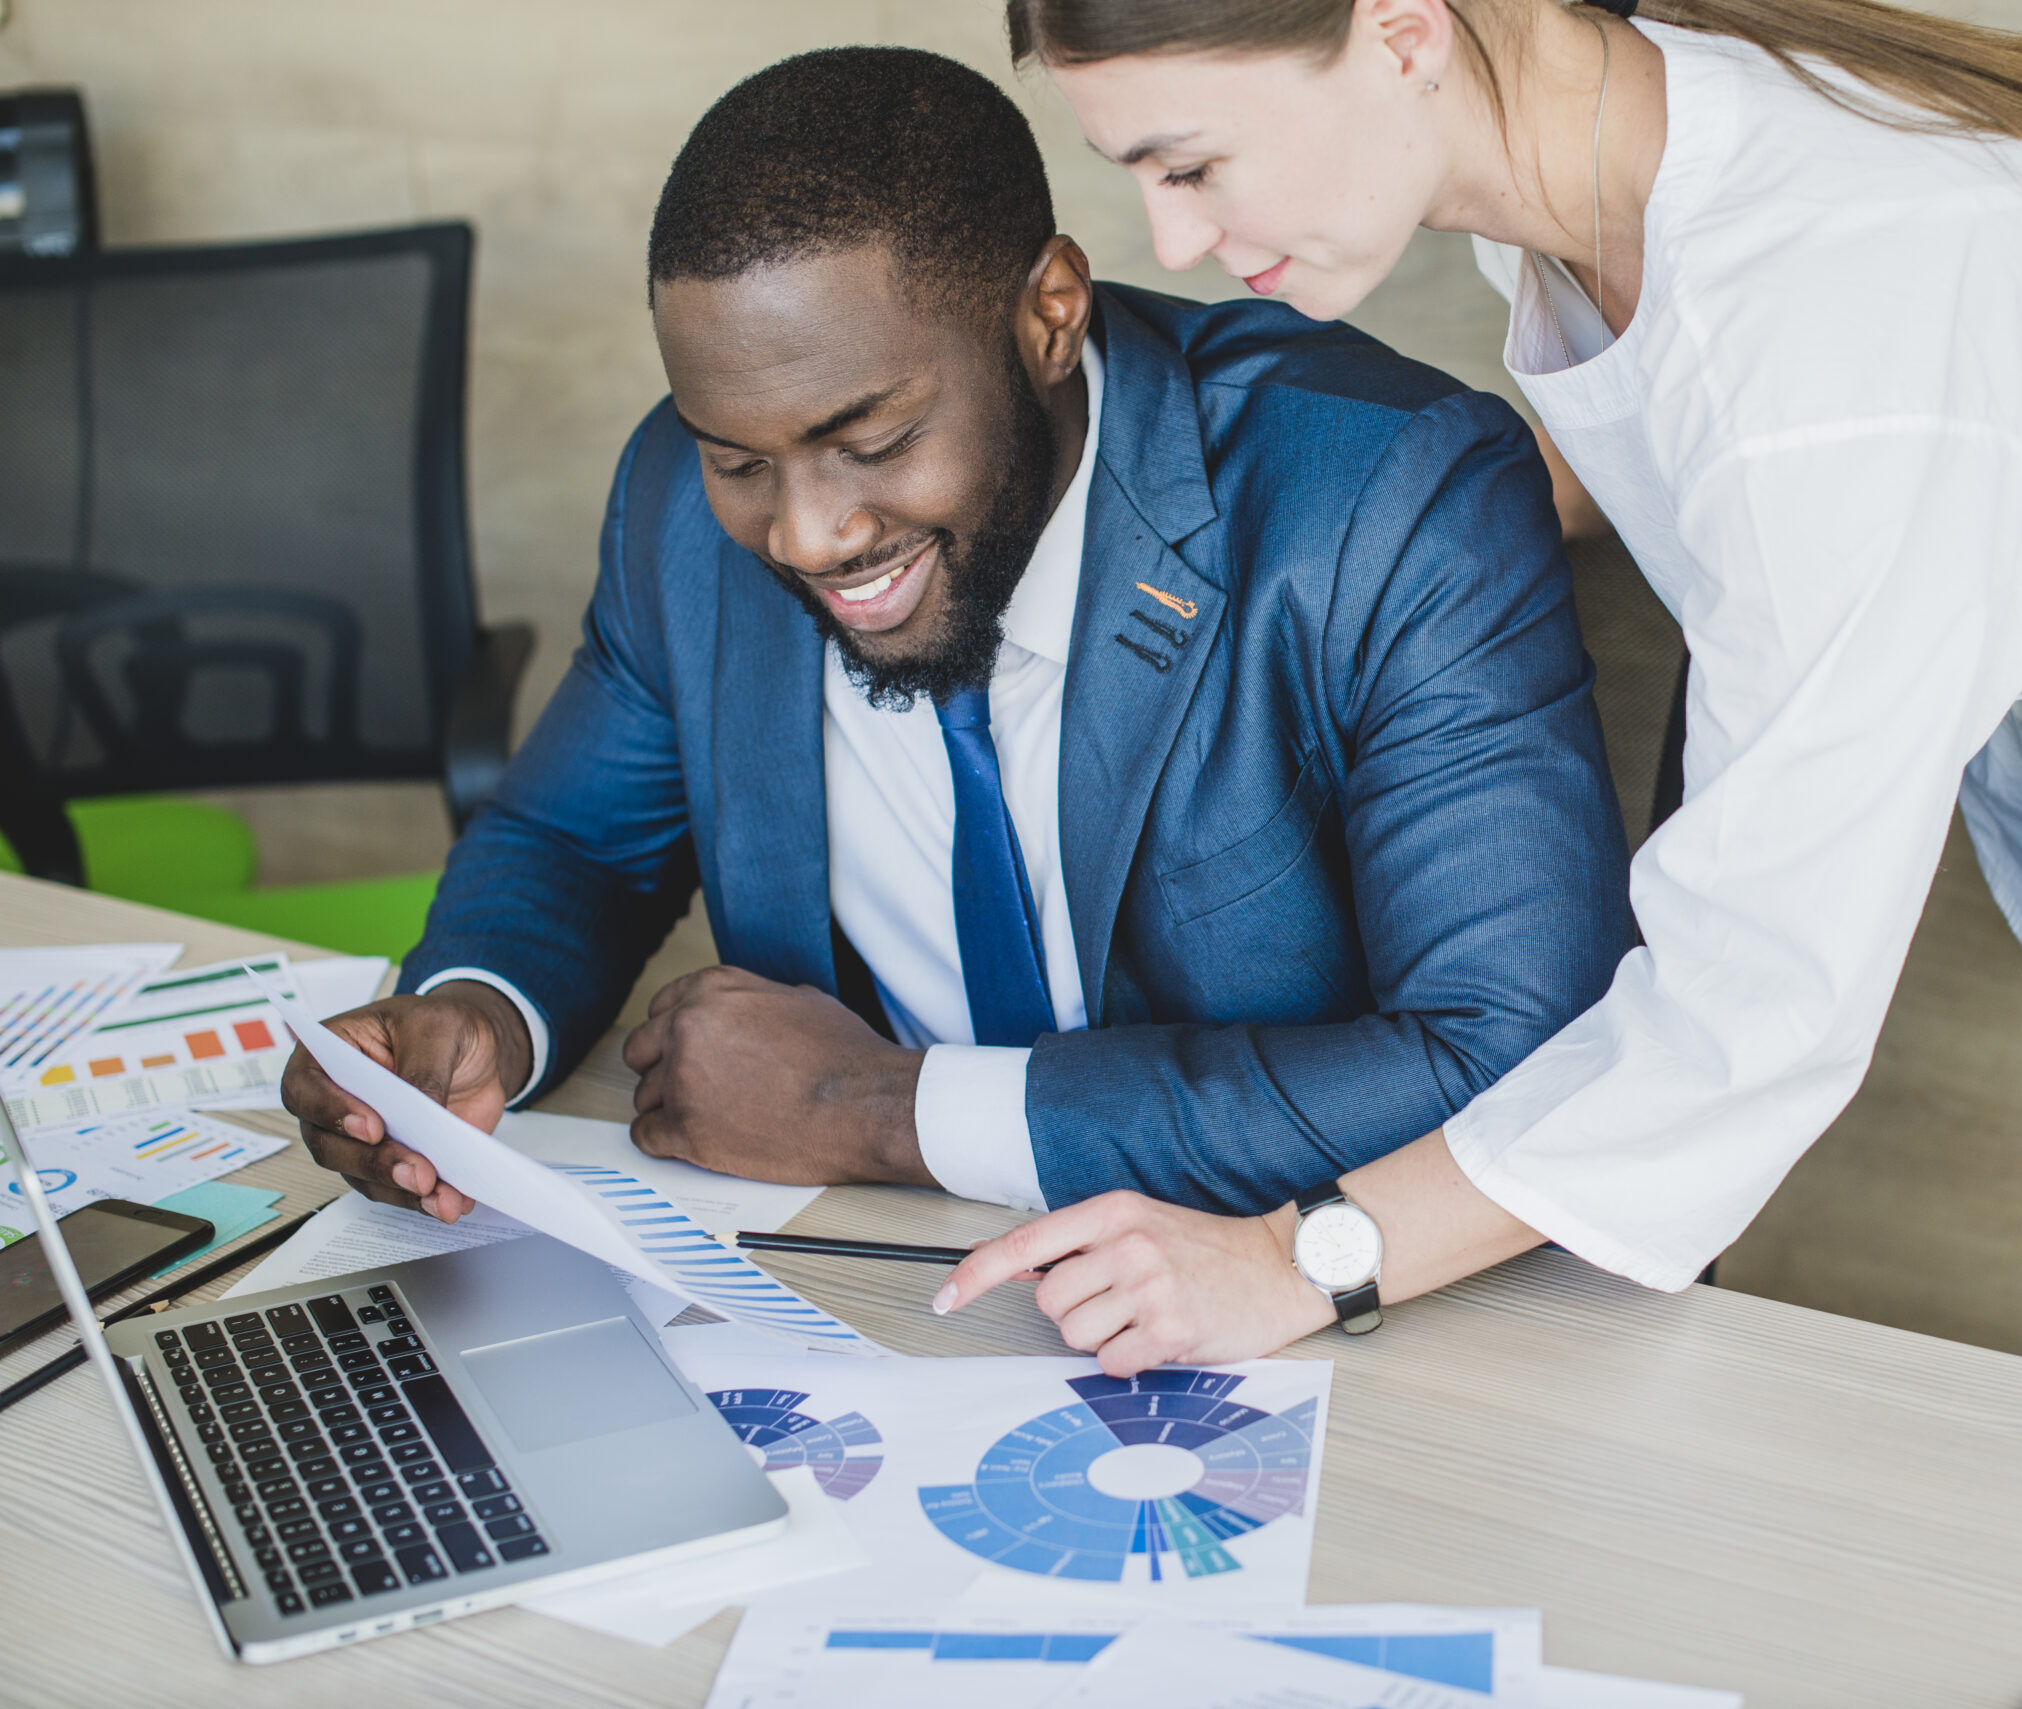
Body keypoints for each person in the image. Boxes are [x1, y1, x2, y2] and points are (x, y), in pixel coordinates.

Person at [939, 0, 2022, 1433]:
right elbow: (1682, 433)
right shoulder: (1584, 113)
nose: (1167, 241)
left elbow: (1751, 1017)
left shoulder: (1834, 363)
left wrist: (1298, 1260)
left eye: (1192, 163)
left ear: (1402, 31)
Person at [279, 47, 1633, 1231]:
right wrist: (476, 1014)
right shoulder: (678, 508)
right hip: (876, 1283)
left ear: (1049, 313)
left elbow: (1509, 1054)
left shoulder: (1389, 503)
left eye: (870, 442)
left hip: (1316, 1291)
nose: (804, 534)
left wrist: (882, 1109)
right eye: (737, 459)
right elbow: (572, 843)